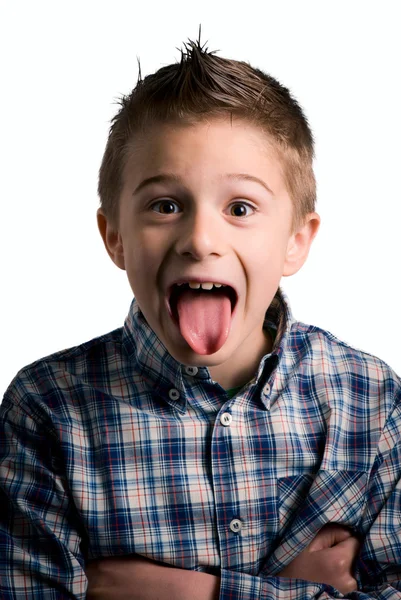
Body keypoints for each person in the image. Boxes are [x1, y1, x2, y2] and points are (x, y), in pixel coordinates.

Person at [1, 31, 400, 599]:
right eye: (166, 205)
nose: (200, 239)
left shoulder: (371, 400)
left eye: (240, 207)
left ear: (296, 240)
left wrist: (193, 592)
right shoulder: (47, 410)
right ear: (114, 236)